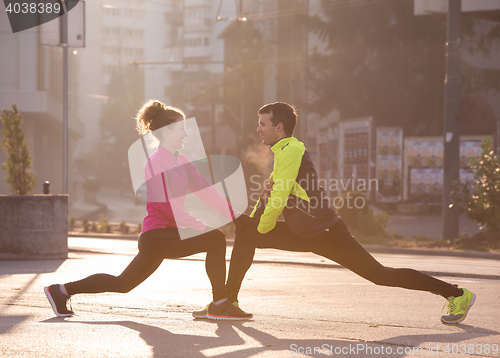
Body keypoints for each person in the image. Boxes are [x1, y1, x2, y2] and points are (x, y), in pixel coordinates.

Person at [227, 102, 475, 324]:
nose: (258, 129)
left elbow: (278, 198)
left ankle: (457, 294)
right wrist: (251, 223)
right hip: (303, 232)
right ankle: (228, 302)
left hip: (326, 233)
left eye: (262, 124)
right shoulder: (282, 152)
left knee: (380, 275)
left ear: (278, 126)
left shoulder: (291, 151)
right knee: (247, 234)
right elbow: (271, 193)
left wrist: (259, 226)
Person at [44, 100, 252, 321]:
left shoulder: (181, 160)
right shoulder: (155, 163)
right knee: (216, 240)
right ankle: (219, 303)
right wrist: (203, 227)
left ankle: (60, 291)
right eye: (182, 129)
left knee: (122, 284)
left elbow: (207, 192)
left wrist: (236, 215)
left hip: (165, 236)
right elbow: (170, 208)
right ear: (167, 132)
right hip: (157, 236)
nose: (186, 134)